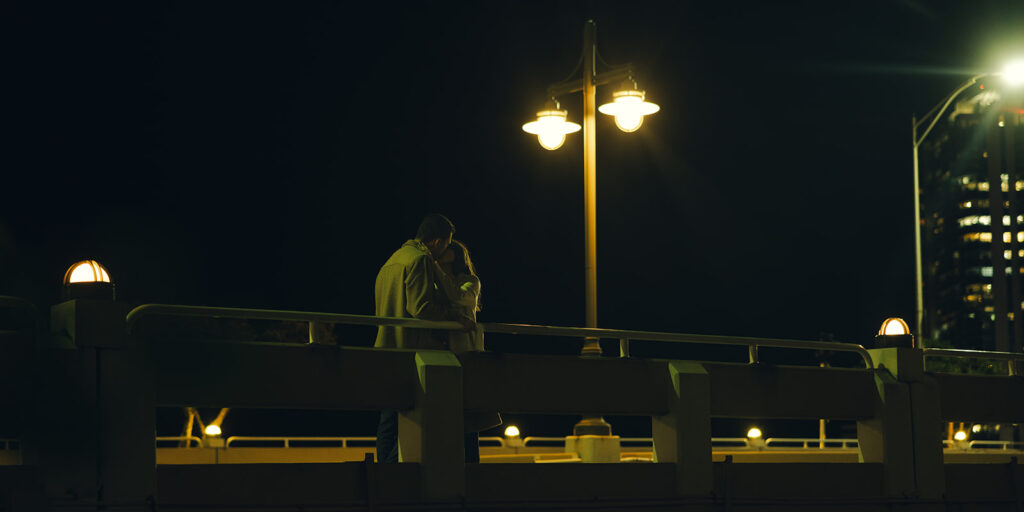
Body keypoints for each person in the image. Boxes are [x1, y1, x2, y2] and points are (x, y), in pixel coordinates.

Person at [373, 214, 471, 463]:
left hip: (384, 347)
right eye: (447, 244)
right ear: (437, 241)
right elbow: (421, 307)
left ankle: (382, 473)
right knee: (411, 419)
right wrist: (455, 317)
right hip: (409, 349)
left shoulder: (392, 260)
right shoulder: (421, 259)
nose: (447, 249)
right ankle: (395, 474)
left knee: (388, 418)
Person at [434, 240, 501, 463]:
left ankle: (471, 468)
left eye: (447, 249)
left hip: (466, 353)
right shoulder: (436, 282)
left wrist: (436, 271)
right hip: (442, 353)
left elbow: (459, 298)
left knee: (468, 417)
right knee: (445, 416)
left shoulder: (470, 282)